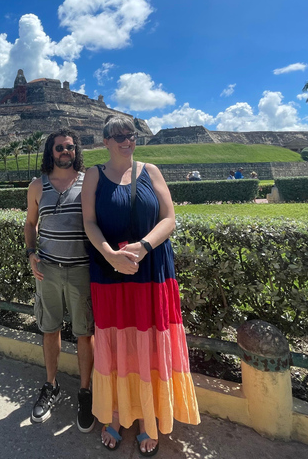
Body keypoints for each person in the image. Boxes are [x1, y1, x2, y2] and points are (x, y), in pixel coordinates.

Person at [82, 115, 200, 455]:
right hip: (109, 273)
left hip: (151, 271)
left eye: (130, 134)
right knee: (117, 344)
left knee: (149, 342)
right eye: (117, 135)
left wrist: (142, 246)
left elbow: (169, 218)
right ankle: (118, 413)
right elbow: (89, 221)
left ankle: (150, 415)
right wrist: (109, 255)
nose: (125, 140)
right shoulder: (94, 175)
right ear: (104, 141)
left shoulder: (151, 171)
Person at [24, 128, 95, 432]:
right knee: (49, 329)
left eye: (69, 147)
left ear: (76, 150)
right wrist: (30, 252)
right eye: (59, 148)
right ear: (50, 152)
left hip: (82, 269)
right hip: (48, 270)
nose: (65, 151)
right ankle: (50, 385)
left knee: (84, 333)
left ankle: (85, 392)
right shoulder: (37, 186)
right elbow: (30, 222)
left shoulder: (89, 182)